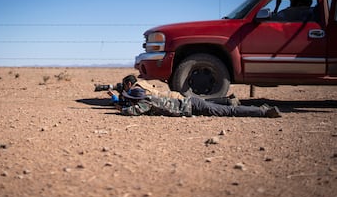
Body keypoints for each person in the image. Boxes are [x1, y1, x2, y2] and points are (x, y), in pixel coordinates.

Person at [111, 86, 281, 118]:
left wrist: (119, 108)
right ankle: (232, 102)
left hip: (193, 107)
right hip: (192, 102)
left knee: (229, 113)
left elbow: (132, 112)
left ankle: (263, 112)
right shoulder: (148, 99)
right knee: (225, 108)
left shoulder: (145, 103)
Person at [108, 74, 240, 106]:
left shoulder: (136, 89)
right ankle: (228, 100)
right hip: (171, 95)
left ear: (129, 84)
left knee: (201, 103)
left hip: (172, 99)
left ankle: (228, 102)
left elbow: (131, 97)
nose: (124, 88)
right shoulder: (141, 83)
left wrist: (116, 98)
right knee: (200, 101)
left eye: (125, 86)